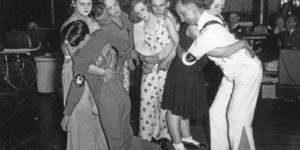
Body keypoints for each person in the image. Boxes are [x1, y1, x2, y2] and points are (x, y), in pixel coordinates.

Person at [175, 0, 262, 150]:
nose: (182, 19)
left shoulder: (206, 33)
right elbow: (220, 49)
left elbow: (187, 60)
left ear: (192, 8)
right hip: (231, 72)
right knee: (216, 112)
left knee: (237, 118)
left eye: (183, 14)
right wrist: (240, 43)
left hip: (246, 70)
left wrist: (179, 47)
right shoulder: (211, 18)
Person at [61, 20, 160, 150]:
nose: (74, 49)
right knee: (127, 137)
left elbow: (77, 86)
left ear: (86, 37)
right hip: (120, 92)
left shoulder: (79, 58)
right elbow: (125, 47)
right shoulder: (101, 34)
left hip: (107, 100)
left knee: (117, 144)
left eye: (76, 45)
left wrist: (67, 113)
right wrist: (118, 66)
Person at [59, 0, 108, 150]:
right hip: (75, 74)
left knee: (99, 120)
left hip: (93, 72)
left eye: (89, 3)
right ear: (73, 3)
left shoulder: (94, 22)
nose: (86, 7)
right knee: (80, 119)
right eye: (82, 3)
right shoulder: (68, 26)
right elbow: (79, 63)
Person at [131, 0, 179, 144]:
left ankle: (165, 138)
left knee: (165, 103)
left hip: (167, 67)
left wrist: (157, 60)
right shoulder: (138, 25)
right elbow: (140, 50)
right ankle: (145, 140)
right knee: (147, 102)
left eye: (144, 9)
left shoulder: (166, 19)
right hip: (149, 69)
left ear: (149, 7)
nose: (142, 14)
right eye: (138, 12)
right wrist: (149, 60)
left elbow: (175, 43)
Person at [93, 0, 138, 92]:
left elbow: (133, 29)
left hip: (127, 55)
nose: (115, 9)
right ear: (105, 10)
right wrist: (120, 63)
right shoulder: (105, 26)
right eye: (110, 8)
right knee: (117, 88)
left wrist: (133, 48)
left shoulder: (123, 16)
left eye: (115, 4)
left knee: (125, 88)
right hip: (115, 61)